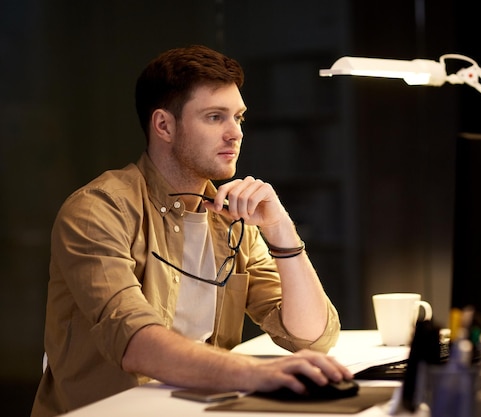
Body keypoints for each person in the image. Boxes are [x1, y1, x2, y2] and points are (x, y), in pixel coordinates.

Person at [31, 45, 350, 417]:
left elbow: (310, 336)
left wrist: (281, 231)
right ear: (164, 125)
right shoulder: (98, 209)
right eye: (215, 117)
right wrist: (254, 373)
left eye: (239, 118)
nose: (235, 134)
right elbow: (135, 340)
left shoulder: (231, 219)